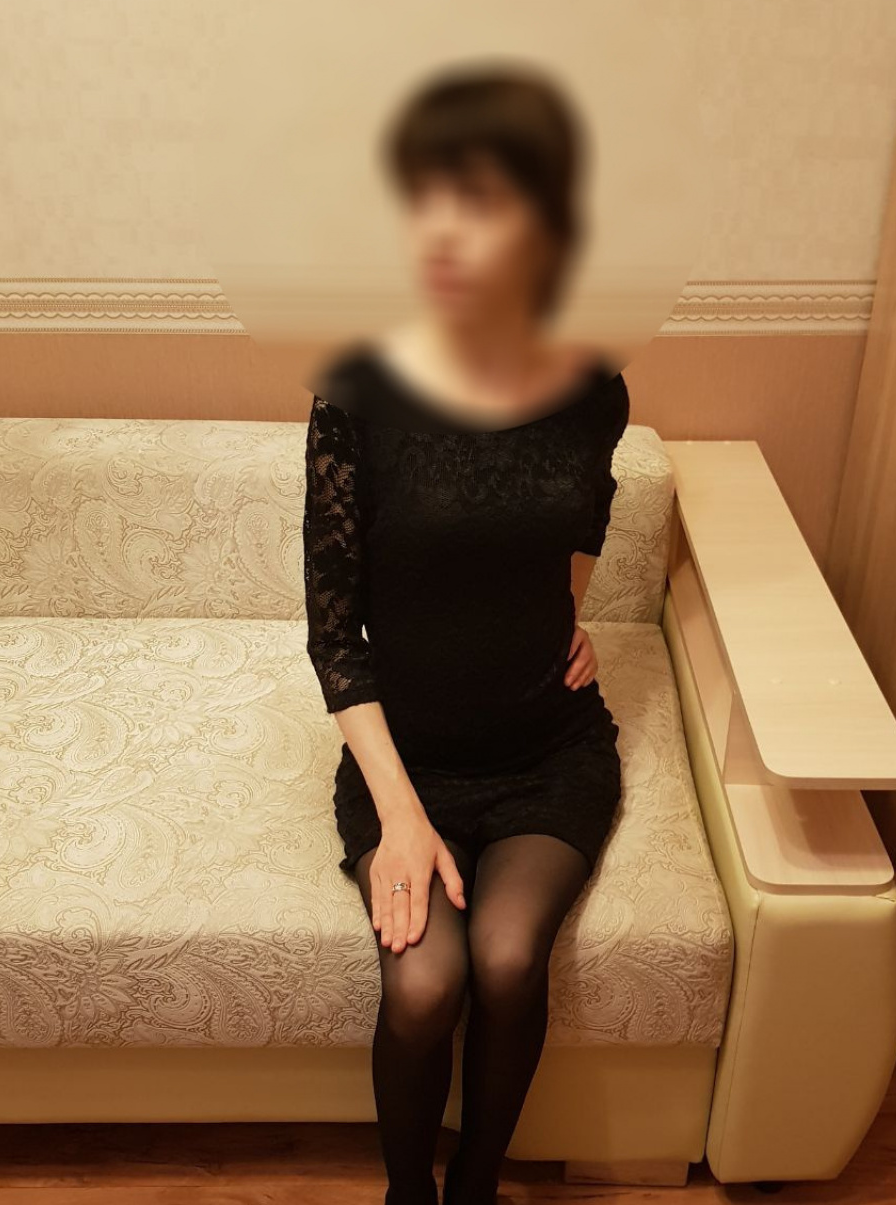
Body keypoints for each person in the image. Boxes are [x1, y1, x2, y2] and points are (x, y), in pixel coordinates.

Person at [302, 62, 630, 1205]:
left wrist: (568, 614)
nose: (440, 229)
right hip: (409, 758)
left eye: (478, 200)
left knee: (505, 955)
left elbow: (586, 512)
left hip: (546, 750)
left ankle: (476, 1188)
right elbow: (334, 637)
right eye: (425, 198)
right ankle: (411, 1197)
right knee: (424, 985)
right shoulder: (357, 396)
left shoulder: (591, 389)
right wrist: (399, 815)